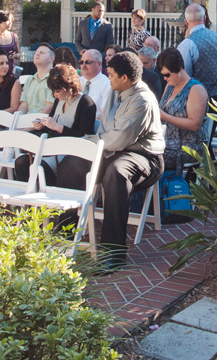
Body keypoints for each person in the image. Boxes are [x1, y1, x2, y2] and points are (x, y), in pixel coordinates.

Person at [56, 51, 164, 272]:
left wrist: (93, 143)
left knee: (115, 172)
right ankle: (65, 234)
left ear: (125, 78)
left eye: (112, 74)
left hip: (144, 157)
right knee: (71, 163)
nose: (108, 77)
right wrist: (89, 145)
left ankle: (113, 252)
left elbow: (120, 138)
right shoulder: (116, 92)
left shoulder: (142, 99)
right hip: (111, 150)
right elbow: (106, 129)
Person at [13, 63, 97, 184]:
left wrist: (58, 127)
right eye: (52, 91)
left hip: (69, 153)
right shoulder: (59, 101)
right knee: (21, 162)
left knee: (38, 166)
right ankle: (25, 200)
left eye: (57, 91)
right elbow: (51, 124)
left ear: (69, 87)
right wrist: (42, 125)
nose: (54, 95)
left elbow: (85, 136)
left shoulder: (86, 103)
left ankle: (44, 197)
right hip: (51, 150)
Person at [157, 47, 210, 173]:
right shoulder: (170, 86)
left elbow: (194, 124)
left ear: (179, 68)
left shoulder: (195, 89)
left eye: (167, 74)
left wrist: (164, 116)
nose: (165, 78)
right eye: (163, 75)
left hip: (187, 146)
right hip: (167, 142)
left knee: (145, 157)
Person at [175, 4, 217, 108]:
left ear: (186, 22)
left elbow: (183, 75)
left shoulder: (187, 44)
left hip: (197, 98)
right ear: (204, 18)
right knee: (214, 124)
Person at [18, 43, 55, 115]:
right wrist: (18, 119)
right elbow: (24, 105)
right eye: (36, 52)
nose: (37, 54)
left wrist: (35, 123)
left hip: (44, 122)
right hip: (25, 122)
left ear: (51, 58)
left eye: (42, 53)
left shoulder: (54, 79)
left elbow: (50, 107)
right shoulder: (29, 80)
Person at [78, 48, 111, 118]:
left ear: (99, 64)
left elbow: (105, 115)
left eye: (88, 62)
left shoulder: (107, 85)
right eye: (81, 62)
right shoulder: (76, 82)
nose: (83, 66)